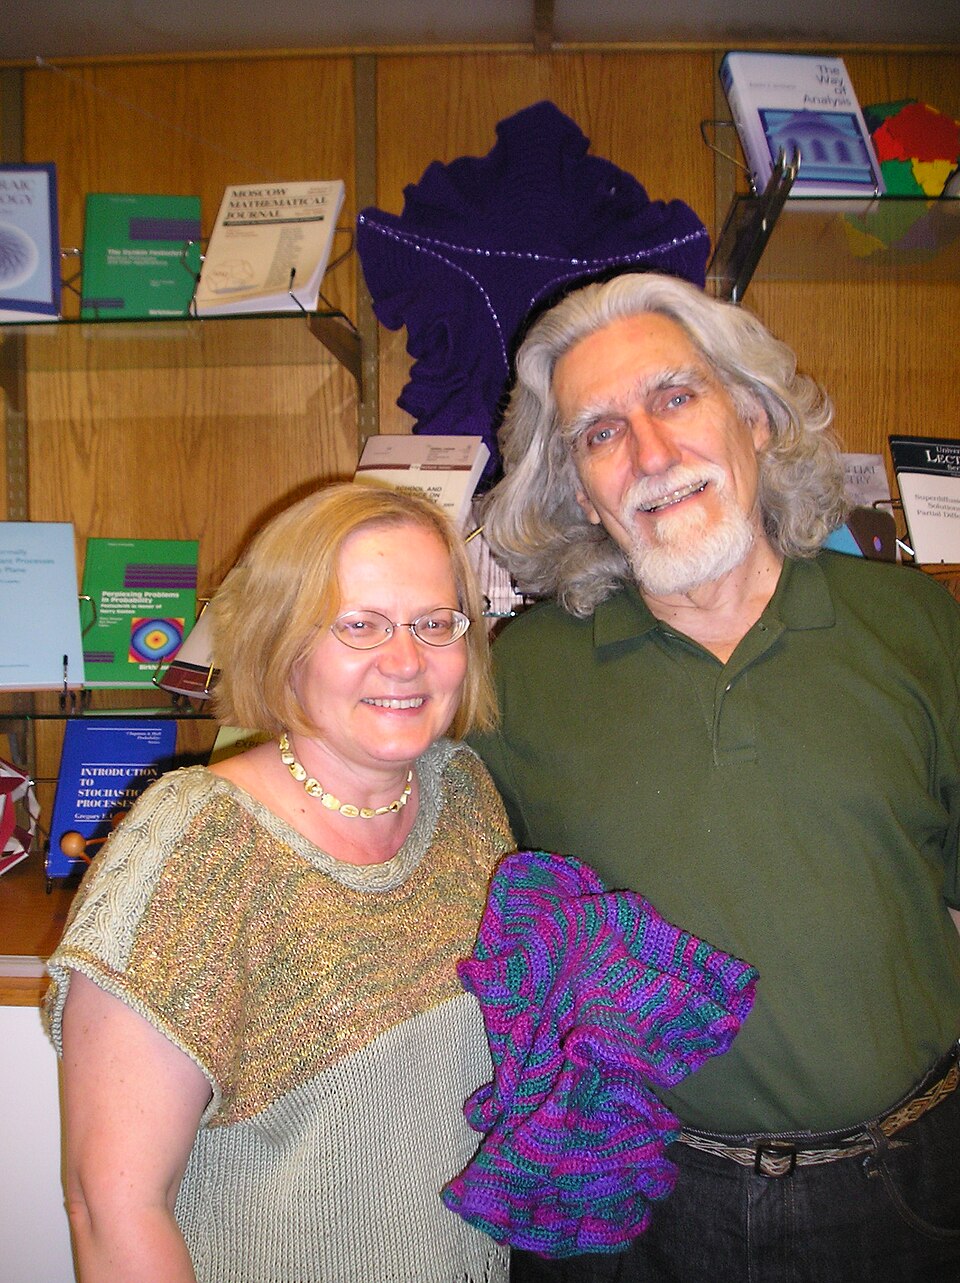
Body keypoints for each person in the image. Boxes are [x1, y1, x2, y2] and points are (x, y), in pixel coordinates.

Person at [469, 271, 960, 1282]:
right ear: (577, 488)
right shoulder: (521, 677)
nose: (650, 453)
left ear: (755, 414)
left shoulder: (920, 629)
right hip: (641, 1209)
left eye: (675, 396)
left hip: (906, 1197)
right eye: (600, 432)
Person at [44, 483, 514, 1283]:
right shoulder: (202, 843)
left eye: (435, 623)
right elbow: (111, 1202)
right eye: (359, 624)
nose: (406, 660)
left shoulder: (462, 794)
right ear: (284, 642)